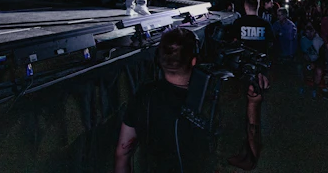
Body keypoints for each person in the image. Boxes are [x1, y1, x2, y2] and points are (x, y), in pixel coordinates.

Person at [114, 28, 269, 172]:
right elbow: (248, 161)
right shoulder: (214, 103)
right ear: (194, 61)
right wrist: (254, 104)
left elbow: (123, 153)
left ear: (159, 59)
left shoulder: (143, 96)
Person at [297, 24, 325, 99]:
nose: (309, 34)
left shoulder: (319, 41)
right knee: (299, 68)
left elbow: (322, 56)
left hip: (317, 61)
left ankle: (314, 89)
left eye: (311, 32)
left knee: (319, 71)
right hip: (307, 61)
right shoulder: (303, 40)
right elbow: (301, 53)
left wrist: (314, 64)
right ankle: (301, 86)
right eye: (307, 32)